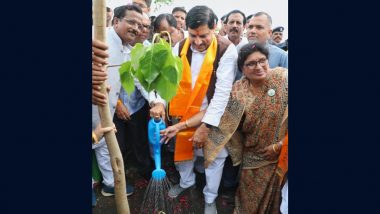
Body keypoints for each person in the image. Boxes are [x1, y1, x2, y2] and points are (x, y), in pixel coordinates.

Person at [158, 5, 237, 214]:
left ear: (215, 27)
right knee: (183, 153)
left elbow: (222, 94)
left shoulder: (226, 49)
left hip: (213, 113)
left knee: (214, 158)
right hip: (182, 111)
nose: (198, 42)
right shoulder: (180, 46)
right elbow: (168, 79)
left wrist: (207, 125)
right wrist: (158, 101)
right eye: (193, 35)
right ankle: (186, 183)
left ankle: (210, 197)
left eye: (203, 35)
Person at [92, 4, 165, 197]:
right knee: (100, 143)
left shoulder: (129, 48)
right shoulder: (99, 39)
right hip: (96, 105)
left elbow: (138, 79)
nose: (136, 28)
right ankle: (110, 184)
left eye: (140, 25)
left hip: (106, 107)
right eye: (131, 22)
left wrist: (155, 101)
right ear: (116, 21)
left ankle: (111, 184)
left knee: (104, 144)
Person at [206, 43, 288, 213]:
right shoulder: (239, 90)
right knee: (247, 200)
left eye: (262, 60)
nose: (258, 67)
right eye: (251, 64)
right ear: (242, 69)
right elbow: (227, 123)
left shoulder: (282, 78)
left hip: (281, 154)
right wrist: (205, 134)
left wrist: (280, 146)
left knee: (278, 200)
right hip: (251, 156)